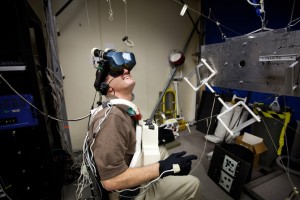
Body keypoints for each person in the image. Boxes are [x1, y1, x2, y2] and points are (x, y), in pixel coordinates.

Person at [86, 49, 200, 200]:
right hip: (126, 193)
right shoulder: (112, 118)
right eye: (116, 72)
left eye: (125, 68)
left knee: (161, 150)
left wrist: (156, 134)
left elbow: (128, 137)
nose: (125, 70)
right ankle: (159, 187)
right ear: (107, 87)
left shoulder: (121, 109)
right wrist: (162, 167)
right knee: (194, 183)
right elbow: (110, 181)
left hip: (131, 162)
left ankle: (162, 183)